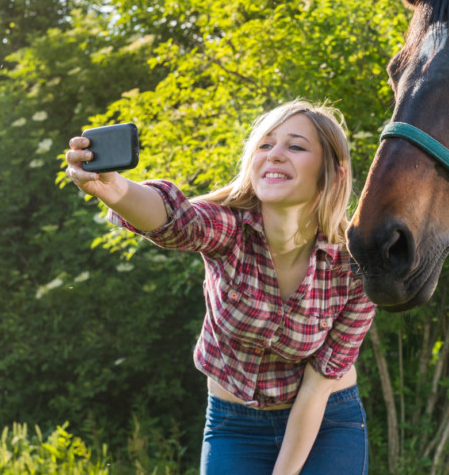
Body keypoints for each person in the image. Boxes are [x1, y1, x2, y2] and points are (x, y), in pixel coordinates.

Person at [64, 100, 375, 475]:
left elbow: (317, 387)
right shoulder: (228, 230)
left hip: (327, 419)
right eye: (265, 145)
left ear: (334, 173)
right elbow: (178, 219)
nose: (275, 155)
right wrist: (115, 190)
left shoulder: (355, 265)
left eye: (295, 146)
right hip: (236, 426)